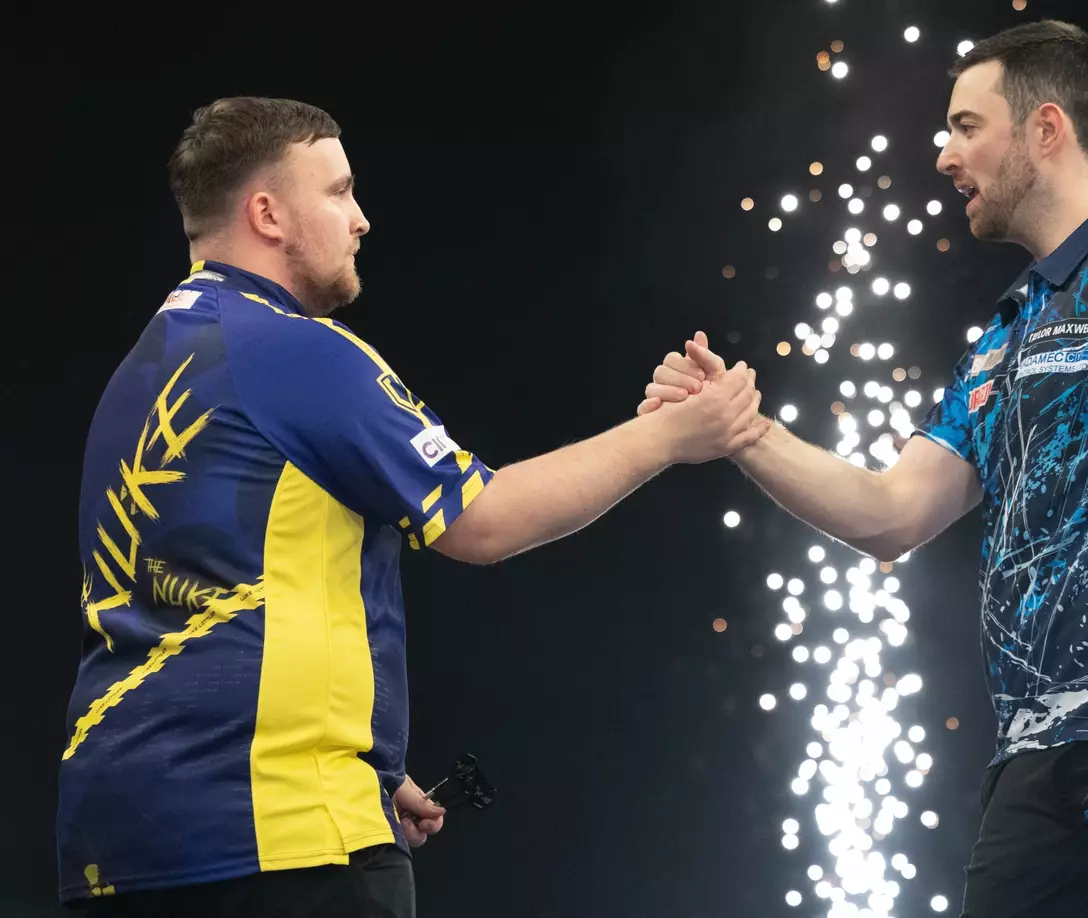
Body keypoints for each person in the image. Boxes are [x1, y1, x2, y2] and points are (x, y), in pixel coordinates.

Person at [58, 96, 768, 917]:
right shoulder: (291, 350)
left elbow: (191, 598)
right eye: (338, 192)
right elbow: (484, 521)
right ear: (267, 213)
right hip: (278, 847)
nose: (360, 220)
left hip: (116, 846)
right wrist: (675, 437)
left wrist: (365, 764)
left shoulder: (139, 376)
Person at [641, 20, 1088, 918]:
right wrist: (742, 430)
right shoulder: (1007, 335)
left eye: (965, 125)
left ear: (1045, 129)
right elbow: (892, 512)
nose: (944, 156)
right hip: (1034, 754)